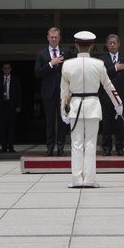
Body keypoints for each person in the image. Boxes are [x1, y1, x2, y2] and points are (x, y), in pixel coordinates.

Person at [61, 31, 122, 188]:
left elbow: (64, 92)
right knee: (90, 144)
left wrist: (63, 111)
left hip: (74, 106)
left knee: (76, 144)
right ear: (92, 46)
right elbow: (109, 87)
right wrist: (118, 104)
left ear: (76, 45)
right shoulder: (98, 64)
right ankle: (89, 180)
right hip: (93, 106)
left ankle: (76, 180)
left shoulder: (67, 65)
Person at [35, 27, 72, 156]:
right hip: (48, 92)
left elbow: (71, 72)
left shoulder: (66, 52)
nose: (54, 39)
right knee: (50, 122)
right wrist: (51, 64)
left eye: (56, 37)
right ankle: (49, 147)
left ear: (60, 38)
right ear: (48, 37)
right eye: (52, 37)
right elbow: (37, 72)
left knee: (63, 121)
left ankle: (61, 147)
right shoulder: (42, 54)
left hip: (63, 93)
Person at [99, 34, 124, 156]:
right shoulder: (102, 59)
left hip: (121, 97)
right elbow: (101, 74)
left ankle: (120, 148)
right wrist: (115, 68)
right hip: (106, 97)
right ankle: (107, 148)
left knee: (120, 125)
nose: (112, 45)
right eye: (110, 43)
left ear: (119, 44)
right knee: (107, 124)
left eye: (114, 42)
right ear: (107, 45)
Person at [0, 63, 21, 153]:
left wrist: (18, 105)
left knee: (11, 127)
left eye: (8, 68)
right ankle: (3, 146)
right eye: (5, 68)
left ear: (10, 69)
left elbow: (18, 94)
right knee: (2, 127)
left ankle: (10, 146)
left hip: (11, 106)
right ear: (2, 69)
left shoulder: (15, 80)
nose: (6, 70)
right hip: (2, 106)